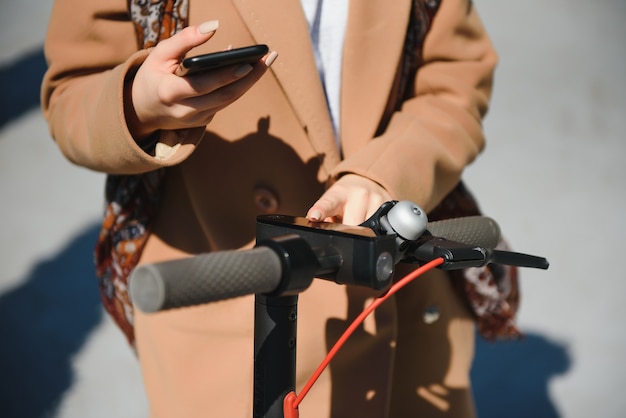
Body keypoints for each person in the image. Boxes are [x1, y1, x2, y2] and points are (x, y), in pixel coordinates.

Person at [42, 0, 512, 416]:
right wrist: (138, 101)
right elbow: (70, 95)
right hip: (230, 304)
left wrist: (384, 171)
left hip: (401, 310)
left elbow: (454, 80)